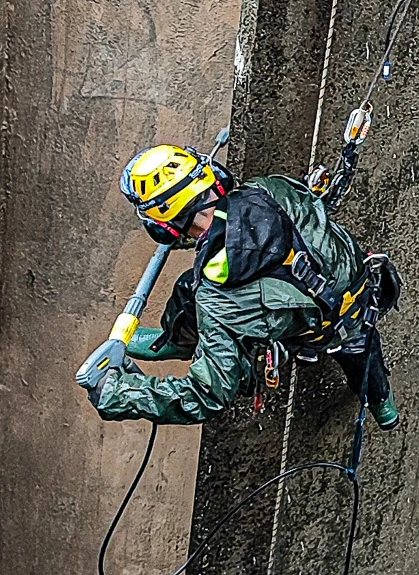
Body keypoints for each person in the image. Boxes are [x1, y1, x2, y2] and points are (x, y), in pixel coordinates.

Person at [82, 143, 402, 428]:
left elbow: (207, 395)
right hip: (365, 288)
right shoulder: (269, 188)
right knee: (188, 286)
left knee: (360, 357)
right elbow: (240, 225)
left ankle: (381, 403)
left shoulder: (217, 298)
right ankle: (177, 341)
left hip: (323, 327)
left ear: (164, 226)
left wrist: (120, 394)